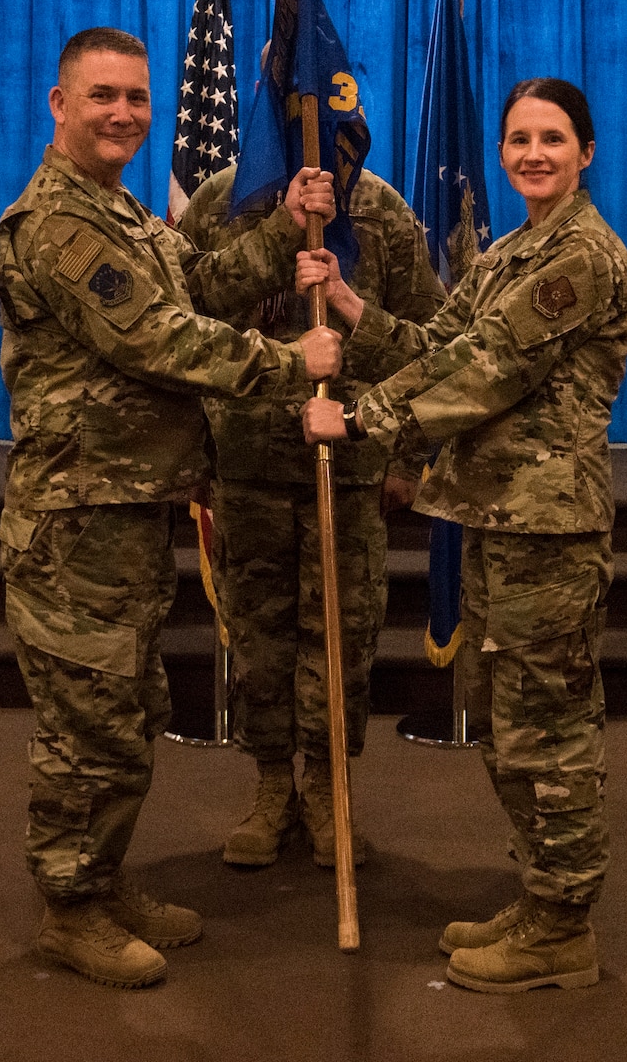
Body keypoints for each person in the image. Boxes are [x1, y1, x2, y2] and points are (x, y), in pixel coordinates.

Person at [0, 26, 342, 991]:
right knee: (87, 721)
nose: (124, 115)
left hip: (127, 509)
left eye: (137, 99)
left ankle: (102, 882)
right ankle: (69, 906)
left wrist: (282, 235)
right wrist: (287, 366)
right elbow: (156, 340)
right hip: (76, 521)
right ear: (58, 106)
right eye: (101, 96)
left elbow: (203, 283)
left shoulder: (126, 217)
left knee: (127, 705)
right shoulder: (55, 226)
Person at [299, 78, 627, 994]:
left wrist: (364, 422)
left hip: (549, 528)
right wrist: (347, 303)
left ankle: (564, 926)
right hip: (497, 517)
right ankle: (540, 898)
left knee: (550, 729)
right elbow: (441, 343)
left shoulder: (581, 257)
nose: (534, 153)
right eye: (519, 139)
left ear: (587, 151)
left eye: (553, 138)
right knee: (505, 720)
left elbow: (487, 371)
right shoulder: (511, 252)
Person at [179, 165, 445, 869]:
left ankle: (330, 792)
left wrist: (404, 456)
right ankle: (271, 788)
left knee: (341, 640)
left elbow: (429, 332)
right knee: (260, 642)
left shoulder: (380, 209)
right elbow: (184, 318)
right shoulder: (222, 202)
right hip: (246, 464)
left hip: (351, 467)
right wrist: (195, 457)